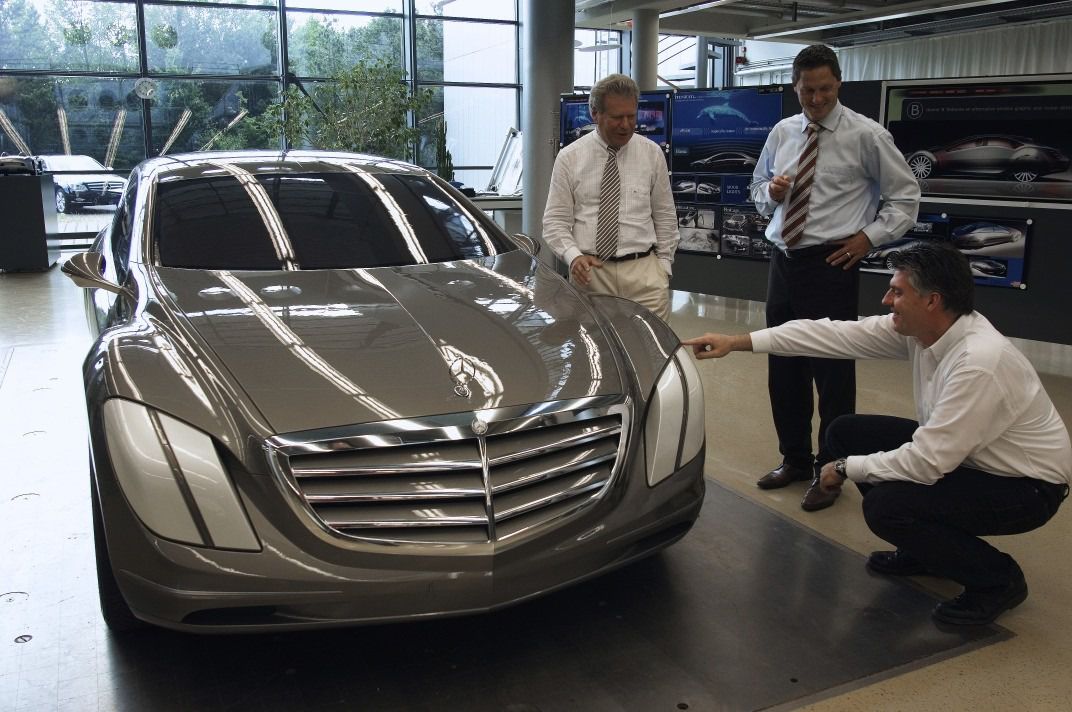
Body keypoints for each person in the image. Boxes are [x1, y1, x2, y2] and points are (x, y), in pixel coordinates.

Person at [683, 241, 1070, 626]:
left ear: (932, 300)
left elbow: (928, 462)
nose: (886, 300)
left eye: (897, 291)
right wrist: (736, 343)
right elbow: (828, 336)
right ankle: (928, 551)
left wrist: (845, 468)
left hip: (1025, 487)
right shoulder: (924, 331)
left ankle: (998, 581)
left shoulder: (978, 362)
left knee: (886, 507)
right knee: (848, 432)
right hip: (970, 457)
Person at [749, 44, 921, 512]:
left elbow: (905, 199)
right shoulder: (784, 131)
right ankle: (794, 460)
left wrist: (869, 238)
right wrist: (771, 191)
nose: (817, 99)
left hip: (831, 263)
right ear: (795, 86)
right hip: (783, 260)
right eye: (808, 90)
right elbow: (756, 189)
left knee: (833, 373)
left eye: (825, 89)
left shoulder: (867, 135)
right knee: (783, 365)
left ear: (839, 83)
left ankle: (831, 469)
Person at [543, 73, 679, 321]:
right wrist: (573, 257)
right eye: (617, 117)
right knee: (593, 353)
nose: (626, 125)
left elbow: (665, 216)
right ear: (595, 114)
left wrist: (663, 267)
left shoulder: (651, 154)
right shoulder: (570, 157)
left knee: (649, 354)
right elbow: (554, 222)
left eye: (631, 116)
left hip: (645, 275)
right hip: (592, 276)